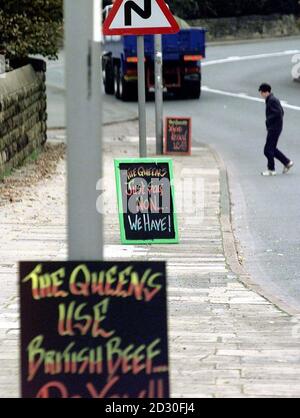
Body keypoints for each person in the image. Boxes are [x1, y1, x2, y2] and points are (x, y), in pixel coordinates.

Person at [258, 83, 294, 176]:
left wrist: (268, 121)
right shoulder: (271, 99)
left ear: (266, 92)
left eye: (261, 92)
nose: (261, 95)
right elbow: (281, 112)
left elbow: (279, 113)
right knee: (272, 148)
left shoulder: (272, 100)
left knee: (267, 150)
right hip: (275, 127)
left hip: (274, 128)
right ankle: (287, 162)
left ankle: (271, 169)